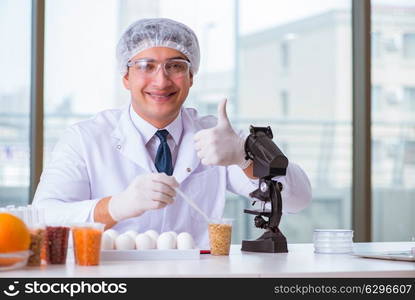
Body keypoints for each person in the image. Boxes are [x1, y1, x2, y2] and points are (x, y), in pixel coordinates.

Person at [33, 18, 312, 248]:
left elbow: (297, 199)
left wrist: (245, 157)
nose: (161, 79)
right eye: (146, 66)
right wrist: (115, 207)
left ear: (191, 76)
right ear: (126, 77)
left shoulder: (217, 135)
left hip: (195, 280)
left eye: (176, 66)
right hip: (112, 278)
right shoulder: (85, 139)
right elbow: (41, 218)